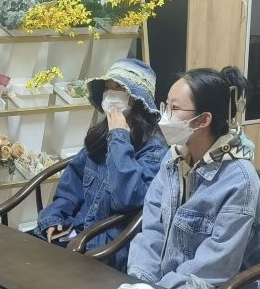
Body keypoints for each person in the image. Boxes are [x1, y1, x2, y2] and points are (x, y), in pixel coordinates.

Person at [127, 66, 260, 289]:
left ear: (203, 120)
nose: (165, 116)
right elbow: (152, 231)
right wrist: (140, 283)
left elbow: (215, 266)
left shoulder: (240, 181)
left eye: (175, 108)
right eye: (166, 106)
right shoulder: (172, 159)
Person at [34, 58, 168, 271]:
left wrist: (119, 137)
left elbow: (126, 199)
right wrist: (54, 218)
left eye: (119, 88)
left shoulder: (154, 149)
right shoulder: (101, 133)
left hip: (108, 249)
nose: (111, 94)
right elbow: (70, 187)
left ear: (138, 98)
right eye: (107, 88)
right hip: (75, 233)